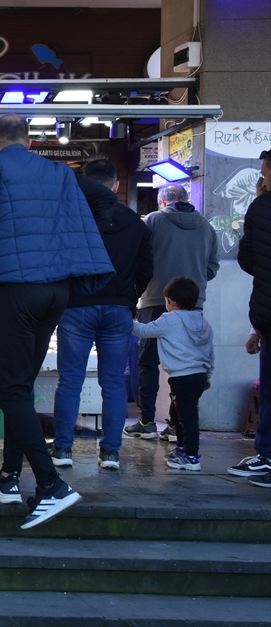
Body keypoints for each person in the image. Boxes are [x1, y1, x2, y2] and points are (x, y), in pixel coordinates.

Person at [0, 114, 114, 529]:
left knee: (7, 388)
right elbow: (91, 210)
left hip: (15, 289)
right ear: (30, 139)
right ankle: (8, 478)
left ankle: (50, 484)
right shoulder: (61, 171)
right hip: (57, 289)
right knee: (20, 385)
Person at [50, 160, 153, 470]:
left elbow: (59, 261)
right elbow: (146, 269)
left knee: (70, 381)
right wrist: (129, 296)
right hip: (119, 308)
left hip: (77, 306)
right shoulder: (137, 224)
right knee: (112, 383)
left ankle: (64, 449)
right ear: (117, 185)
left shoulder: (73, 217)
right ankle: (110, 452)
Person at [126, 183, 220, 440]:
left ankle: (146, 420)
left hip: (157, 298)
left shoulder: (154, 220)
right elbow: (212, 267)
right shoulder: (207, 226)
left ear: (163, 202)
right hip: (194, 303)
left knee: (147, 362)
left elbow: (139, 257)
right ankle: (175, 424)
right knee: (187, 364)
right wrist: (194, 286)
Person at [132, 277, 214, 471]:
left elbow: (144, 330)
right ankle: (182, 449)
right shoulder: (203, 321)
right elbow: (210, 352)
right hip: (199, 375)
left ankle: (191, 457)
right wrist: (208, 377)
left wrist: (125, 318)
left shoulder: (169, 319)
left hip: (182, 377)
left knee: (187, 418)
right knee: (177, 415)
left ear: (171, 301)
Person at [231, 149, 271, 485]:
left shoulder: (262, 207)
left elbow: (246, 259)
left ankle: (268, 457)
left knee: (270, 389)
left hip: (268, 313)